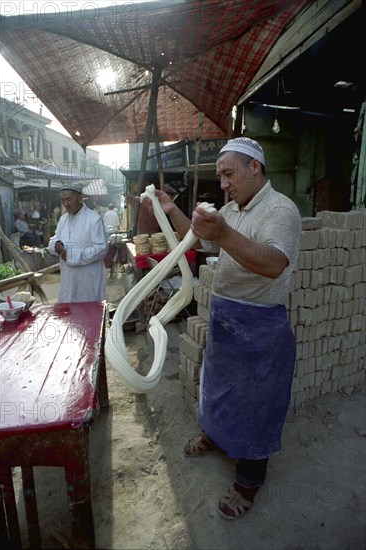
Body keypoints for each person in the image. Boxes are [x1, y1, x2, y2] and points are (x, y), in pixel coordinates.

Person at [150, 137, 302, 520]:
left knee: (257, 405)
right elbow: (201, 240)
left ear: (255, 168)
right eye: (220, 176)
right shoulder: (233, 210)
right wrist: (171, 210)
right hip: (226, 318)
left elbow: (272, 264)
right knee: (218, 389)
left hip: (260, 325)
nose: (224, 184)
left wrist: (223, 234)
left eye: (229, 173)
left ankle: (248, 482)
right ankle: (216, 437)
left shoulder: (281, 211)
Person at [48, 184, 108, 303]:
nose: (66, 204)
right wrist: (57, 246)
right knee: (68, 316)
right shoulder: (63, 219)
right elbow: (55, 239)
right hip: (68, 278)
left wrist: (70, 255)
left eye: (69, 199)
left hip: (87, 281)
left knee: (89, 315)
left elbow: (101, 248)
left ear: (80, 198)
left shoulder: (94, 219)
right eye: (63, 200)